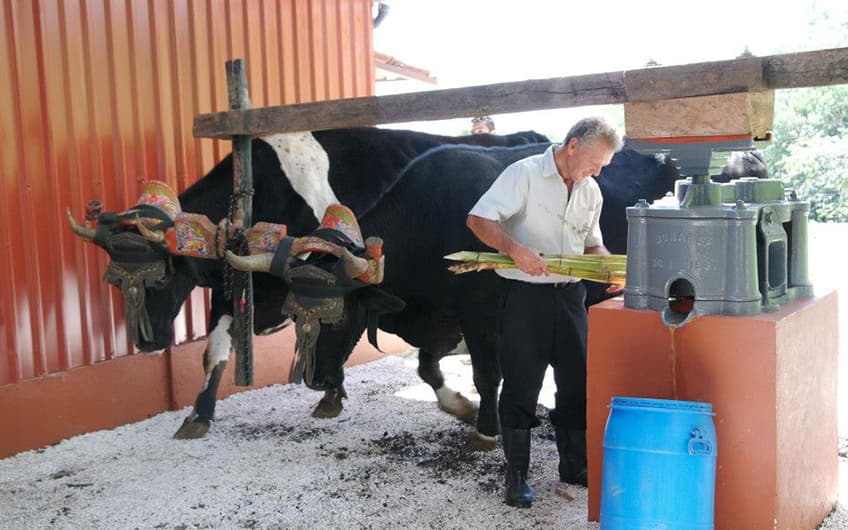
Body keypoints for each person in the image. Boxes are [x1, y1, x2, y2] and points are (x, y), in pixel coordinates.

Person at [466, 116, 623, 508]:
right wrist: (515, 250)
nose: (597, 171)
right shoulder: (524, 174)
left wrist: (607, 268)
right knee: (521, 385)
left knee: (577, 384)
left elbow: (592, 245)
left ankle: (573, 465)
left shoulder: (591, 190)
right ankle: (516, 475)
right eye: (594, 162)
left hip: (571, 298)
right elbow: (478, 220)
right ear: (572, 146)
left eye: (603, 165)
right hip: (523, 299)